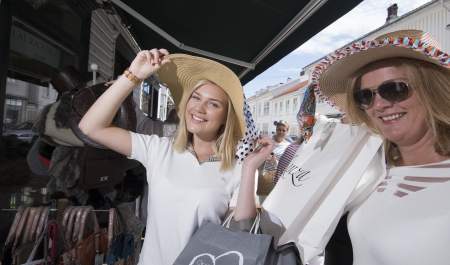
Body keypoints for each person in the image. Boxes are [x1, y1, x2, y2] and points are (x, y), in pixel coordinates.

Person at [78, 49, 273, 265]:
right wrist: (133, 75)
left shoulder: (238, 169)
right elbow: (90, 127)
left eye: (213, 104)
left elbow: (243, 228)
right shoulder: (159, 149)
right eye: (196, 97)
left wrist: (249, 169)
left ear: (225, 119)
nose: (199, 108)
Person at [311, 29, 450, 265]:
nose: (379, 105)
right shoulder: (368, 169)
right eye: (365, 96)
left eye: (394, 89)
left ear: (433, 89)